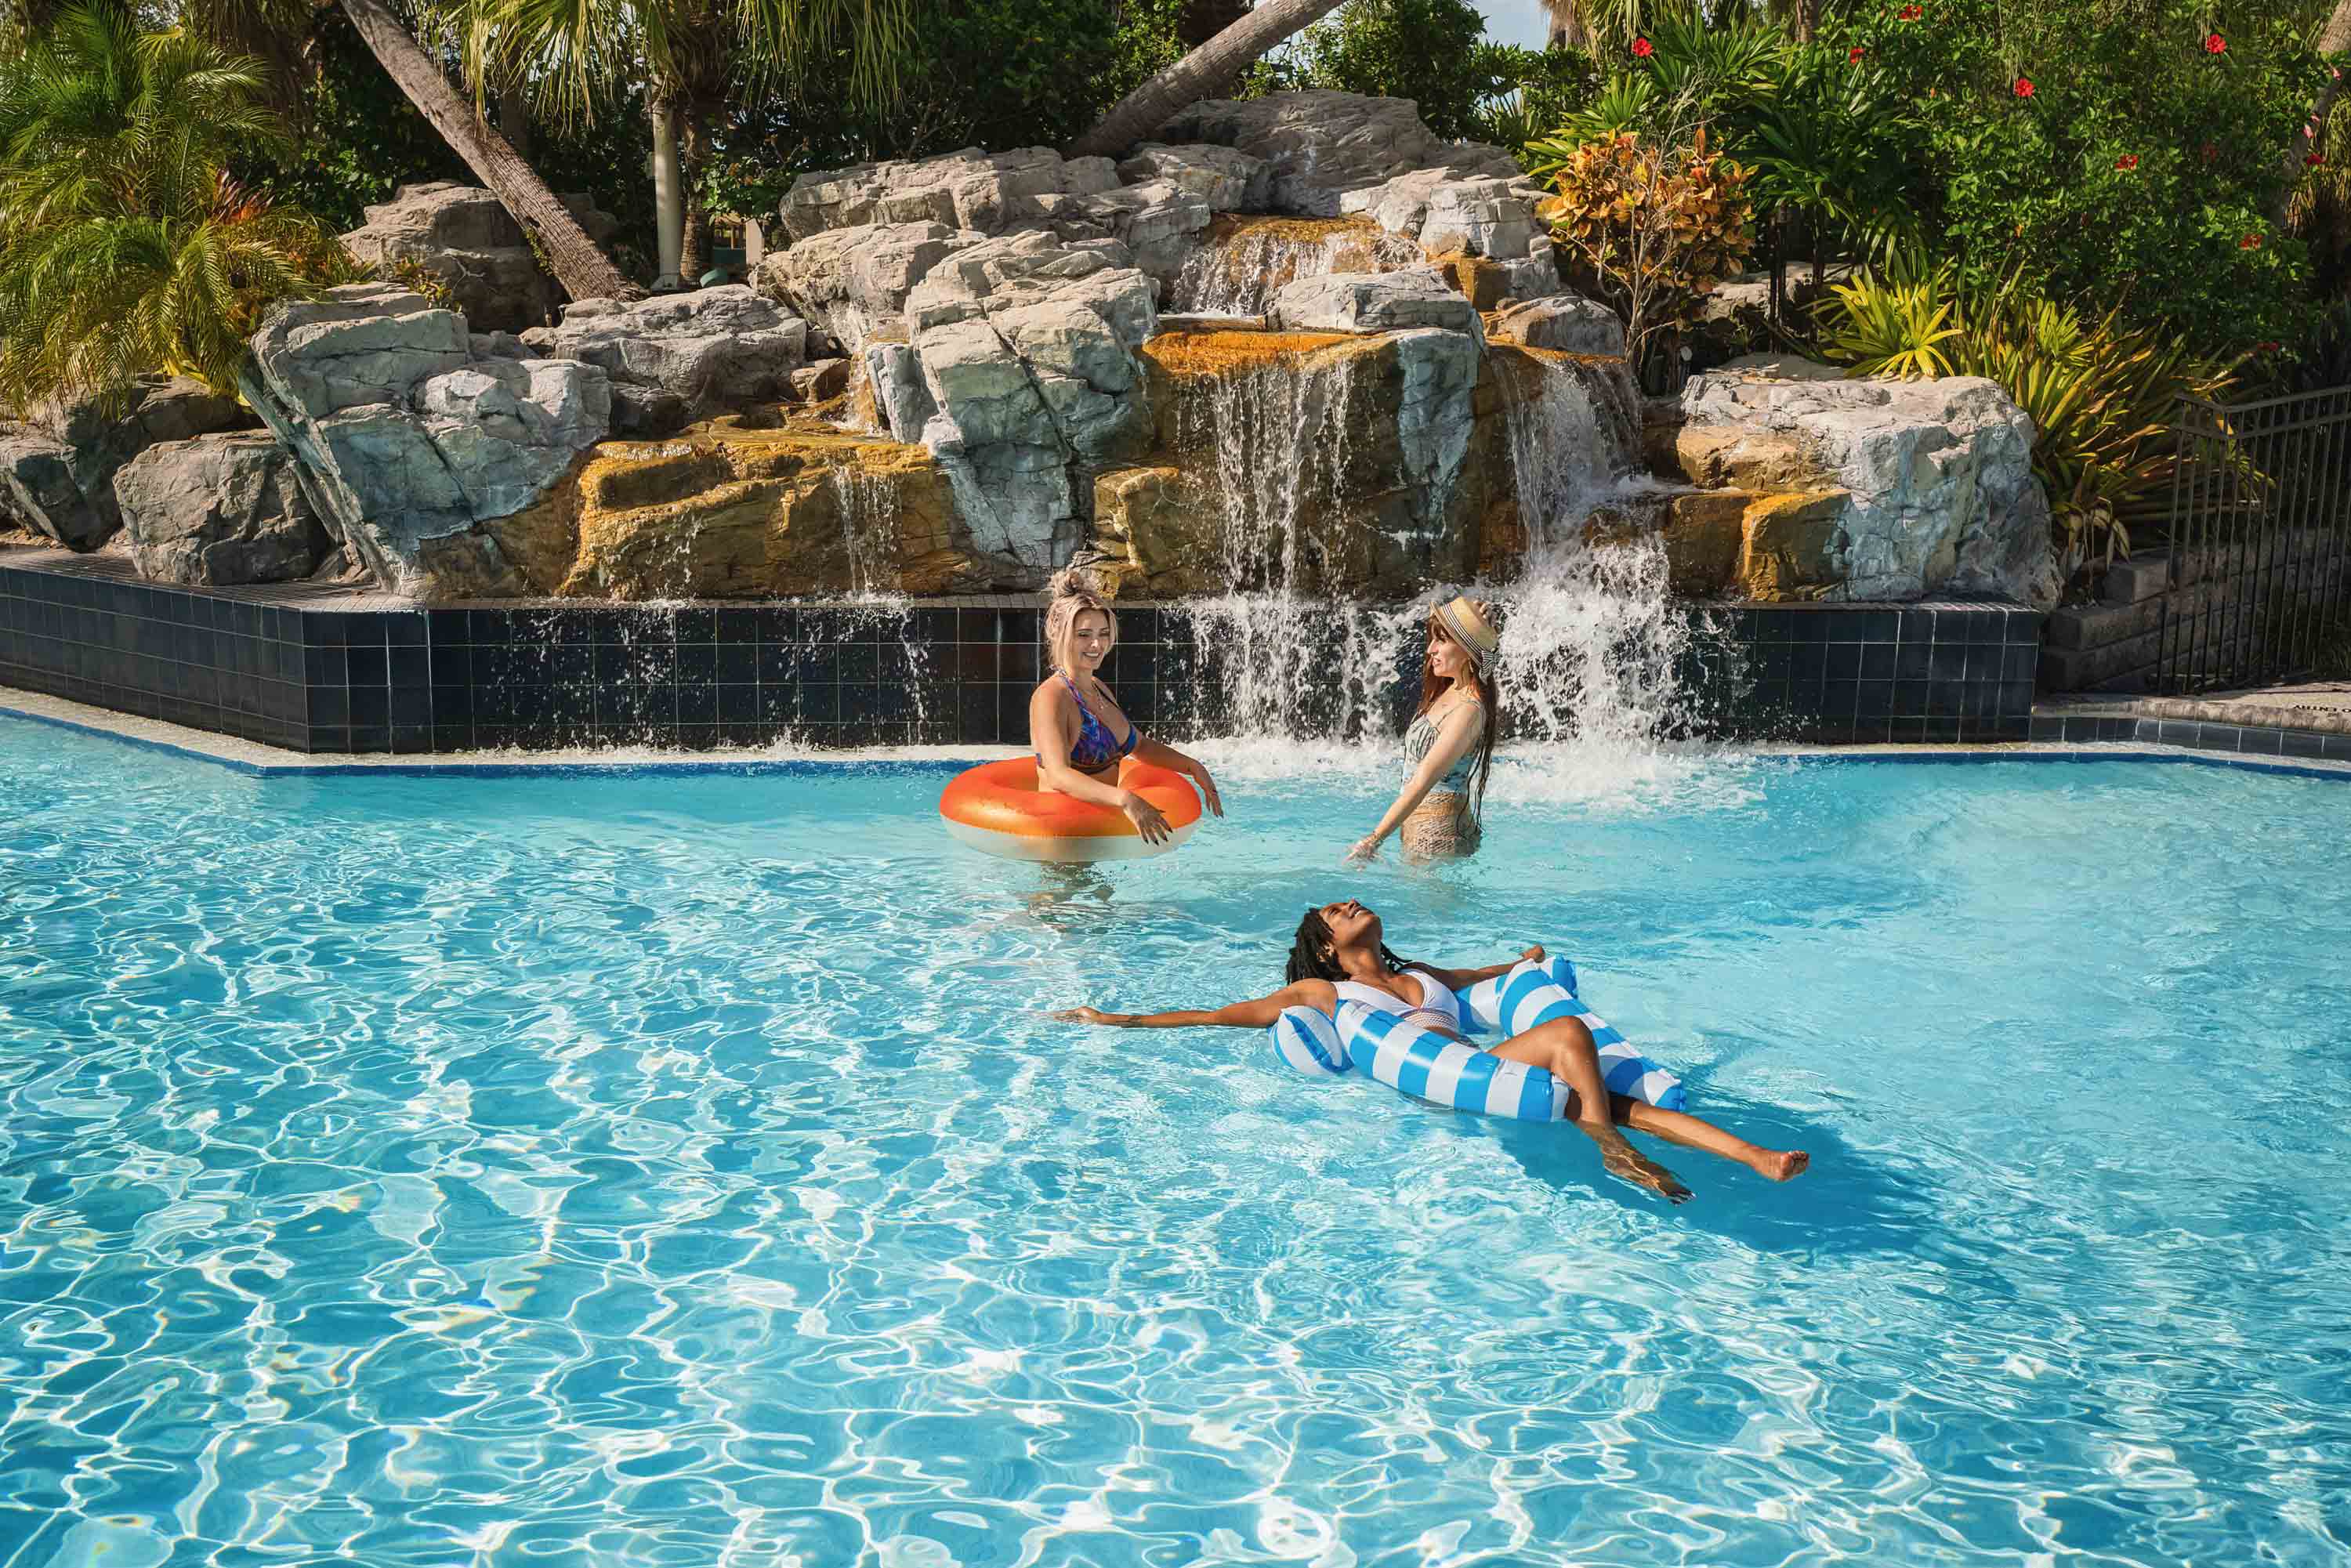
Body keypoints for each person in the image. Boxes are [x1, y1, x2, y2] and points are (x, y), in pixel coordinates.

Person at [1056, 899, 1810, 1203]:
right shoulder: (1328, 996)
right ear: (1326, 946)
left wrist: (1523, 962)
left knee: (1611, 1094)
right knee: (1579, 1056)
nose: (1352, 904)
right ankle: (1612, 1148)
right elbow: (1219, 1014)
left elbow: (1482, 978)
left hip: (1490, 1061)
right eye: (1336, 910)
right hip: (1446, 1084)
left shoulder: (1417, 975)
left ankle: (1754, 1158)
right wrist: (1117, 1019)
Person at [1030, 567, 1223, 845]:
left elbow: (1139, 746)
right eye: (1084, 635)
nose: (1097, 644)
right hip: (1061, 840)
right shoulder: (1051, 697)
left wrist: (1192, 766)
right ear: (1061, 635)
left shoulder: (1098, 688)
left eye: (1103, 633)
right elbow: (1059, 775)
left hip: (1096, 836)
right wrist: (1126, 799)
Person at [1348, 596, 1499, 865]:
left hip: (1438, 839)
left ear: (1466, 649)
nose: (1431, 649)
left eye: (1441, 641)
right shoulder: (1453, 689)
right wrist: (1482, 627)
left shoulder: (1468, 711)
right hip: (1424, 832)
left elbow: (1422, 782)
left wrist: (1374, 840)